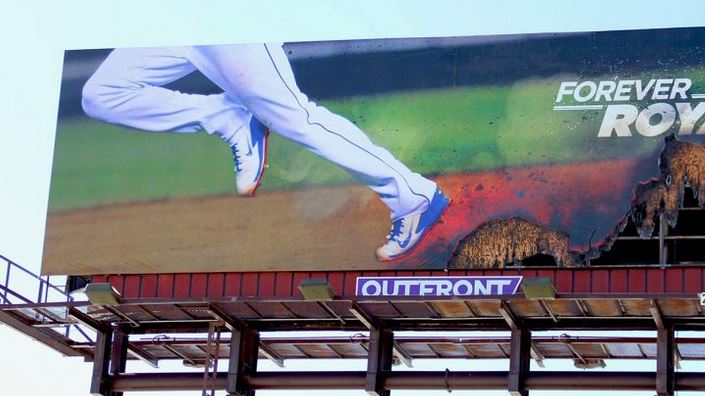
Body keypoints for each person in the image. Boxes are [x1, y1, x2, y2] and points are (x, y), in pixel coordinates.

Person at [80, 43, 448, 262]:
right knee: (102, 94)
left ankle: (412, 195)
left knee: (299, 120)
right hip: (175, 22)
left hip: (230, 24)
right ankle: (226, 117)